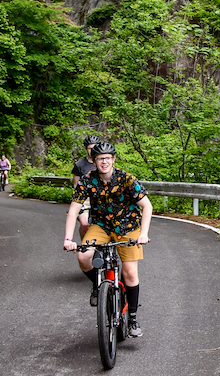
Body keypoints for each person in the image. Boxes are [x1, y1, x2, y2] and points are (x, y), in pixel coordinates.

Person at [63, 142, 153, 338]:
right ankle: (98, 285)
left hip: (128, 226)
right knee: (84, 257)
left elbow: (147, 206)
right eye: (99, 158)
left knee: (129, 273)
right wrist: (69, 238)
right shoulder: (88, 180)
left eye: (107, 158)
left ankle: (133, 318)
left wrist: (143, 233)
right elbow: (73, 210)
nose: (104, 162)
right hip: (101, 226)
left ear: (113, 159)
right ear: (94, 161)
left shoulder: (126, 179)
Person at [71, 135, 101, 235]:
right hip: (85, 198)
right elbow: (76, 185)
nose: (92, 150)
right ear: (86, 148)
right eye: (90, 148)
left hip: (101, 196)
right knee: (85, 224)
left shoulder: (103, 162)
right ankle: (85, 243)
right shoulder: (79, 165)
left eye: (95, 147)